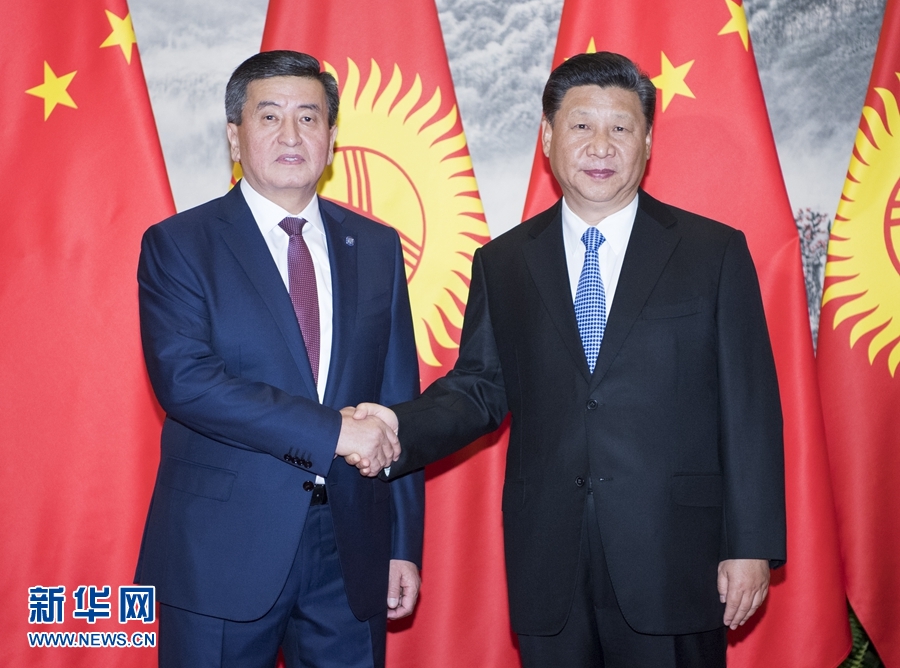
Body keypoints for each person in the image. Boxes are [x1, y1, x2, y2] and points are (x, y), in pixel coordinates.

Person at [350, 51, 786, 668]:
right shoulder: (504, 262)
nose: (600, 146)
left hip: (674, 554)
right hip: (548, 556)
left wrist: (752, 544)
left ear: (648, 141)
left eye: (621, 127)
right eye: (581, 125)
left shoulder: (711, 253)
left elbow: (750, 408)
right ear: (548, 137)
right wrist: (397, 425)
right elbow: (479, 388)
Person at [135, 50, 423, 668]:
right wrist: (334, 432)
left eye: (309, 117)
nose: (291, 135)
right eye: (269, 117)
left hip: (350, 549)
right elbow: (188, 383)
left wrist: (401, 543)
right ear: (234, 137)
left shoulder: (376, 246)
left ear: (332, 137)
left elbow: (397, 399)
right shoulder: (180, 245)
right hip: (222, 550)